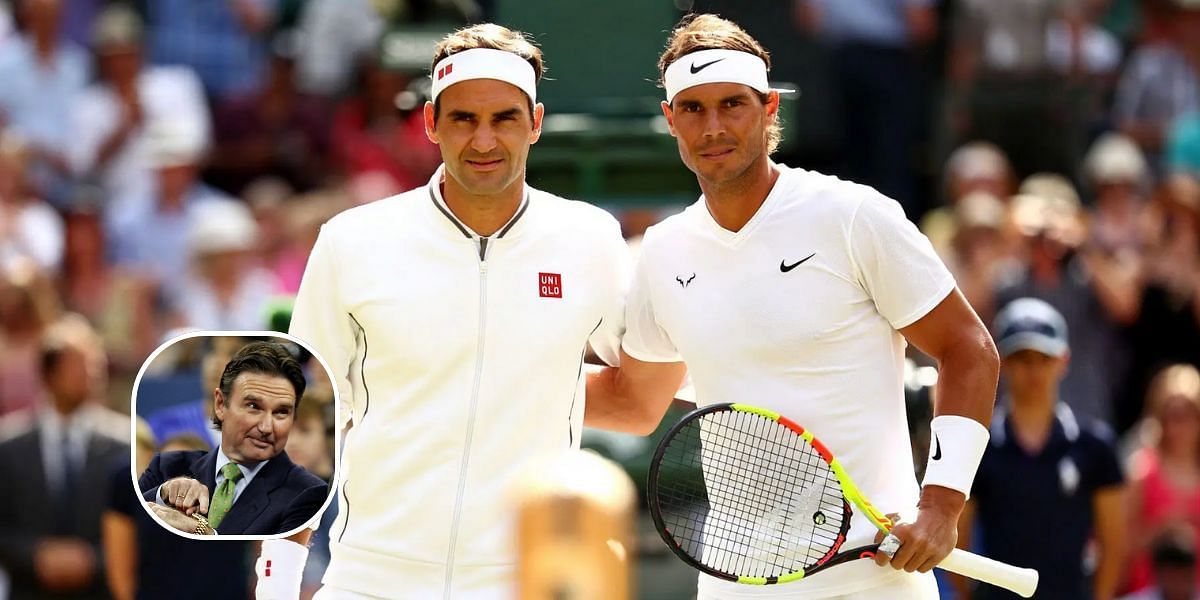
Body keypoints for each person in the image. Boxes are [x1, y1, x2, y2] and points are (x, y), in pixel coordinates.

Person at [585, 14, 1000, 599]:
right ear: (670, 120)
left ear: (770, 109)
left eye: (733, 104)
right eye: (694, 108)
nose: (714, 126)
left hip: (874, 582)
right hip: (737, 584)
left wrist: (941, 504)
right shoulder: (663, 249)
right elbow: (635, 401)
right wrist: (507, 378)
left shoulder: (854, 216)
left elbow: (969, 349)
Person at [286, 23, 651, 599]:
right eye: (463, 119)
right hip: (370, 580)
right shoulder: (350, 241)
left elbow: (638, 396)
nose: (484, 141)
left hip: (522, 582)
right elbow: (300, 423)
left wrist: (543, 387)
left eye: (505, 118)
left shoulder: (591, 239)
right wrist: (277, 585)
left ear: (535, 122)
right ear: (431, 122)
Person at [953, 298, 1124, 600]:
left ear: (1064, 360)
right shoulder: (979, 446)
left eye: (1043, 358)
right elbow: (957, 538)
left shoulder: (1095, 446)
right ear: (1003, 362)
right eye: (1022, 358)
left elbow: (1114, 543)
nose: (1033, 370)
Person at [137, 340, 327, 536]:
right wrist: (161, 496)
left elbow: (269, 562)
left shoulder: (308, 493)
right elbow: (129, 520)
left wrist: (203, 531)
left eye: (281, 412)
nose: (266, 427)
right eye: (253, 406)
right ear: (220, 404)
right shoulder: (165, 466)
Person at [0, 314, 129, 600]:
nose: (93, 373)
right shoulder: (8, 447)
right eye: (80, 365)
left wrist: (92, 560)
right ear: (49, 373)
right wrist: (36, 556)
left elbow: (137, 530)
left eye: (96, 364)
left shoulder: (125, 444)